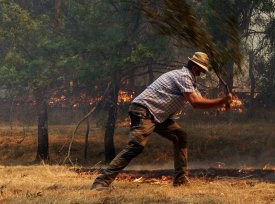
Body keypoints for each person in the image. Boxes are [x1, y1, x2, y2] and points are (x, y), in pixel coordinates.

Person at [91, 52, 232, 190]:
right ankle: (101, 182)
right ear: (194, 67)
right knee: (136, 146)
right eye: (200, 70)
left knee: (180, 136)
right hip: (144, 110)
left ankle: (180, 181)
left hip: (158, 115)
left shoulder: (190, 81)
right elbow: (196, 103)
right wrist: (222, 101)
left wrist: (221, 103)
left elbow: (201, 102)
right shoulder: (183, 76)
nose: (201, 74)